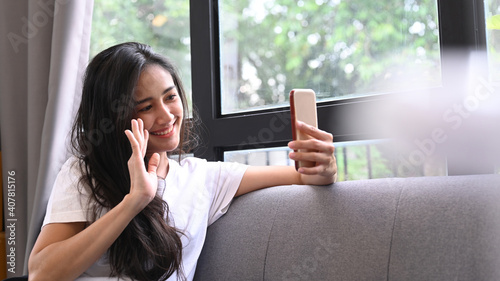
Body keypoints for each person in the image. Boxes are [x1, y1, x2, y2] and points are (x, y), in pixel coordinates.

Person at [27, 42, 337, 281]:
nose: (166, 116)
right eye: (146, 106)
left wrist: (324, 167)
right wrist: (133, 202)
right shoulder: (84, 174)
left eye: (170, 97)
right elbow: (42, 273)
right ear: (113, 116)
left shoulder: (201, 178)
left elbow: (304, 176)